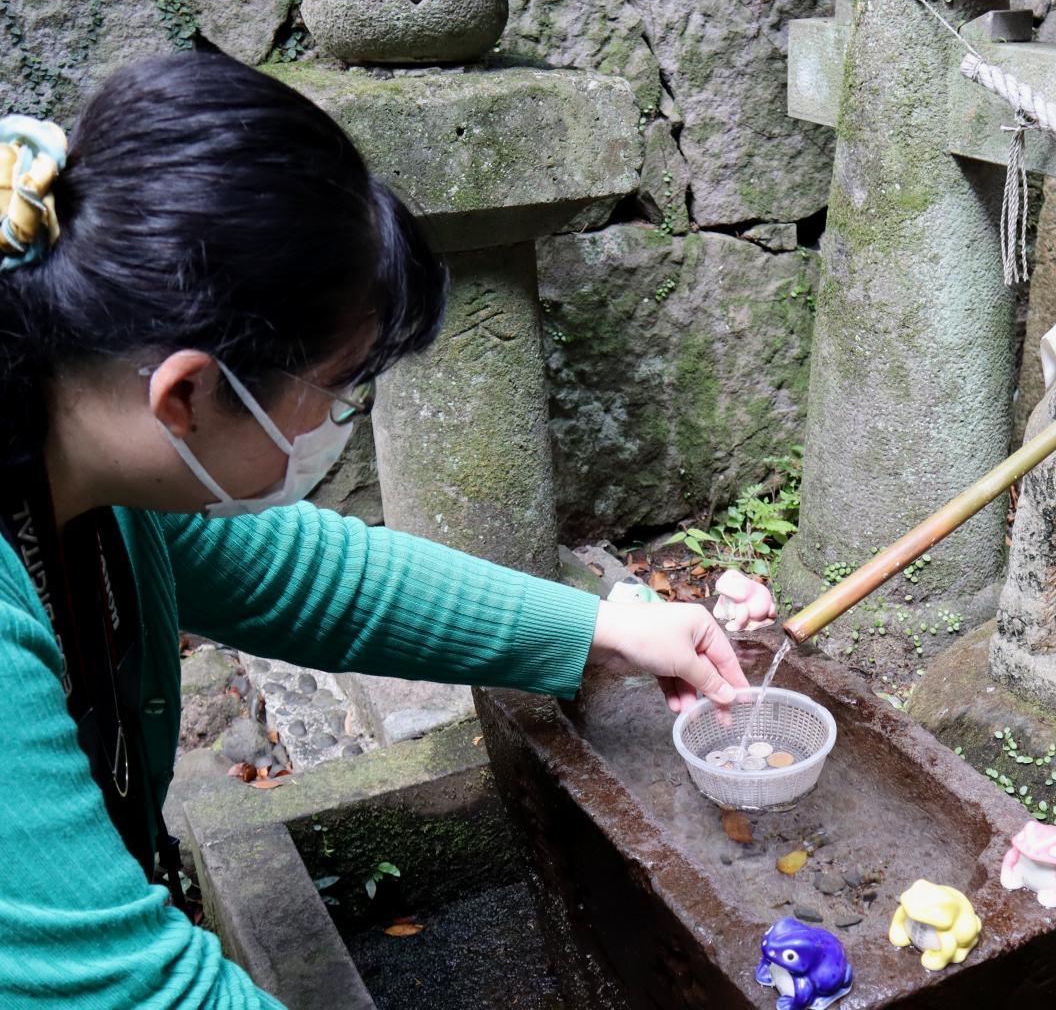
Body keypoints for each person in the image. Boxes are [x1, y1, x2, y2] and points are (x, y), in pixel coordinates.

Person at [0, 52, 749, 1008]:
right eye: (337, 387)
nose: (334, 420)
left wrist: (598, 629)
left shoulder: (76, 454)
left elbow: (302, 577)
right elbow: (140, 994)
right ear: (185, 393)